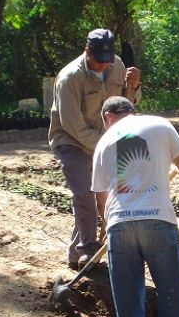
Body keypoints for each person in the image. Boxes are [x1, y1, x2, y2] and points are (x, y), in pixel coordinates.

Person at [91, 96, 179, 317]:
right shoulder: (160, 124)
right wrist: (166, 166)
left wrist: (108, 227)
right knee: (171, 296)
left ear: (106, 118)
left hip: (119, 226)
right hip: (159, 222)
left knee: (128, 301)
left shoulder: (102, 142)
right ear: (132, 111)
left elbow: (100, 198)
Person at [48, 28, 142, 271]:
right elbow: (73, 126)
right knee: (86, 193)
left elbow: (126, 105)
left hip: (105, 138)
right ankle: (89, 249)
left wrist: (134, 85)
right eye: (98, 61)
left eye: (107, 61)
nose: (103, 66)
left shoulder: (117, 65)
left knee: (110, 194)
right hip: (71, 141)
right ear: (87, 51)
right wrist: (107, 145)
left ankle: (75, 253)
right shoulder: (69, 77)